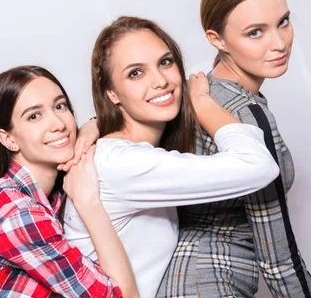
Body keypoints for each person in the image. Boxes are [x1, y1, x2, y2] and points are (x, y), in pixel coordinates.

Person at [61, 16, 279, 298]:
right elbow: (258, 166)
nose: (161, 81)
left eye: (165, 62)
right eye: (136, 73)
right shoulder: (122, 163)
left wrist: (95, 123)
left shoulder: (126, 153)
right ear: (112, 93)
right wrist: (203, 104)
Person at [159, 0, 311, 298]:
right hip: (212, 281)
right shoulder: (245, 115)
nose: (279, 43)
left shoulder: (197, 92)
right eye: (255, 32)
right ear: (217, 39)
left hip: (179, 278)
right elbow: (278, 261)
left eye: (283, 22)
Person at [0, 65, 137, 298]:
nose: (58, 123)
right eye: (34, 116)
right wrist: (91, 205)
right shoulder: (19, 213)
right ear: (8, 139)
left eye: (60, 106)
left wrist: (93, 125)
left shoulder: (43, 193)